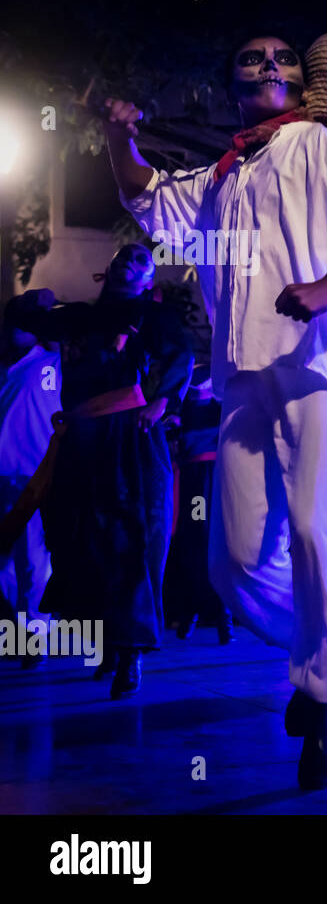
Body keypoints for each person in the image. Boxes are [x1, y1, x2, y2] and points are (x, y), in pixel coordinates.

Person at [103, 35, 327, 789]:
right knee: (233, 561)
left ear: (301, 84)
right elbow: (145, 196)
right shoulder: (219, 177)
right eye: (252, 56)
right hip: (243, 377)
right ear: (235, 82)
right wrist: (120, 138)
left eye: (281, 56)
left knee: (317, 527)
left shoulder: (322, 146)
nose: (267, 63)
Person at [8, 244, 193, 695]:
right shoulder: (80, 316)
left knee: (127, 539)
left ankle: (130, 655)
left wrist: (162, 400)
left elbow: (181, 357)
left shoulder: (153, 317)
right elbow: (22, 318)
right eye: (122, 256)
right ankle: (106, 643)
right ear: (106, 270)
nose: (129, 258)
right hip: (80, 441)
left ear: (148, 279)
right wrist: (39, 298)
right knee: (77, 541)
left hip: (127, 435)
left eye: (139, 258)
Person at [0, 300, 61, 668]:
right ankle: (24, 632)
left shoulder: (51, 363)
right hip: (3, 478)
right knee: (6, 565)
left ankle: (34, 638)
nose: (13, 329)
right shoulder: (6, 366)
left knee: (33, 562)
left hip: (33, 476)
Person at [165, 363, 235, 644]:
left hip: (215, 476)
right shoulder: (180, 406)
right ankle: (194, 608)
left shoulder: (222, 406)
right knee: (196, 539)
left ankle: (223, 613)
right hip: (193, 480)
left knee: (218, 540)